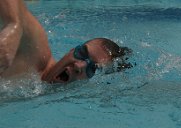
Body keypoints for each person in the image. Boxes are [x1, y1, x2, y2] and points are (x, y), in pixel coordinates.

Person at [0, 0, 132, 84]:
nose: (79, 65)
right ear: (71, 50)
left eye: (92, 68)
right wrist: (13, 24)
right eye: (82, 52)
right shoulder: (35, 50)